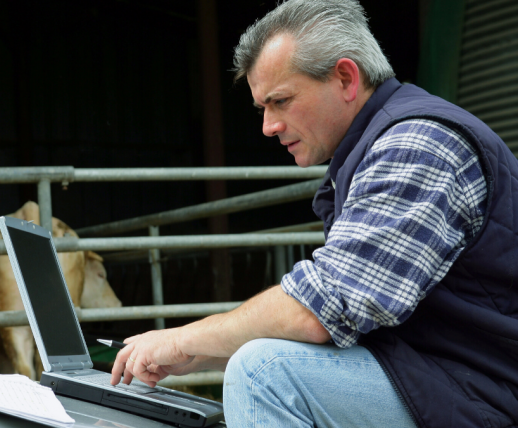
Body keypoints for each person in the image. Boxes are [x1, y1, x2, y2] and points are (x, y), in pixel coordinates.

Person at [108, 0, 518, 427]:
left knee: (265, 372)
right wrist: (200, 355)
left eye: (280, 101)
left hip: (487, 395)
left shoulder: (417, 145)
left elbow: (320, 309)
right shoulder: (373, 148)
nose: (268, 125)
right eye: (262, 108)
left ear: (345, 77)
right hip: (441, 377)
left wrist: (182, 340)